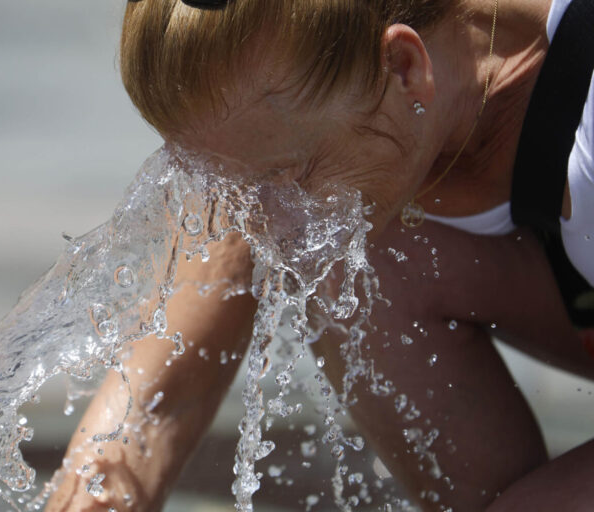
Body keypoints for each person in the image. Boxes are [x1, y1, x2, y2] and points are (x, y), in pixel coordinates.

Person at [46, 0, 594, 510]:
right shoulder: (285, 114)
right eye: (235, 192)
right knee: (346, 263)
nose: (268, 231)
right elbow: (149, 415)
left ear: (405, 67)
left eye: (291, 178)